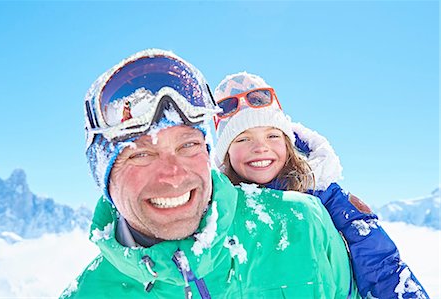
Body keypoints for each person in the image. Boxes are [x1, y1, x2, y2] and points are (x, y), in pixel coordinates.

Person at [60, 49, 361, 298]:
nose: (174, 175)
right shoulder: (91, 292)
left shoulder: (300, 223)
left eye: (188, 145)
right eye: (141, 154)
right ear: (105, 177)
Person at [213, 72, 430, 299]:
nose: (260, 148)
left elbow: (381, 266)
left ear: (288, 144)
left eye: (272, 136)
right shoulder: (221, 207)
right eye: (243, 139)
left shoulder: (322, 193)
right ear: (226, 153)